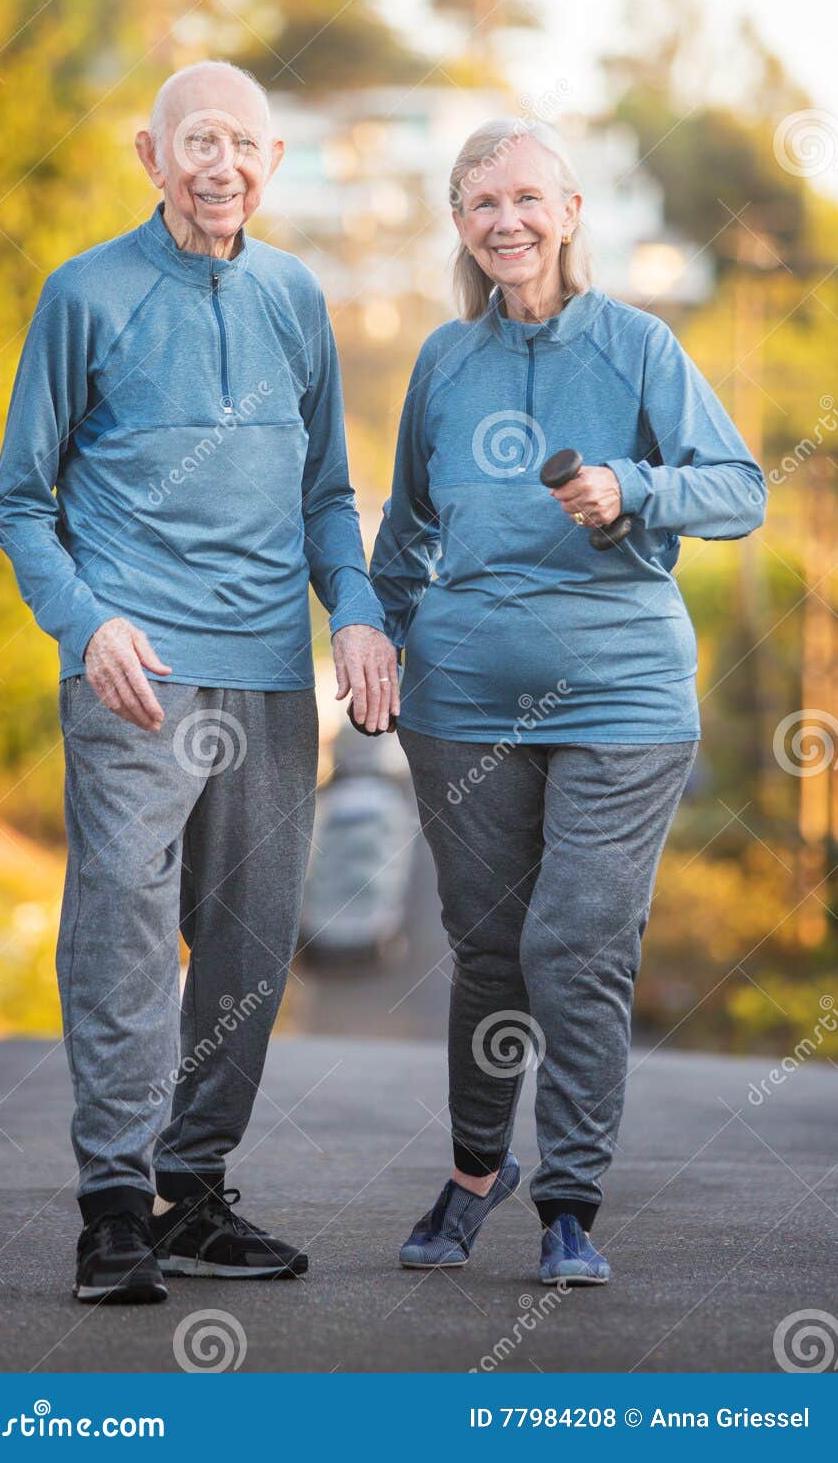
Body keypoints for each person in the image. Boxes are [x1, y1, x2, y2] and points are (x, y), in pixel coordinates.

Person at [0, 60, 398, 1303]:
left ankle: (193, 1189)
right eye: (197, 141)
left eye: (245, 145)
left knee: (250, 942)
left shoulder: (293, 297)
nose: (222, 165)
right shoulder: (87, 296)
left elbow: (329, 496)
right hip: (137, 680)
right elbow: (21, 499)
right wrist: (87, 622)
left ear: (273, 165)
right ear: (150, 155)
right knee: (120, 932)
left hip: (273, 679)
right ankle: (114, 1207)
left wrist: (363, 614)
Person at [370, 117, 766, 1285]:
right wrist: (375, 637)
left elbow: (739, 488)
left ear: (573, 212)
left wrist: (632, 486)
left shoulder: (639, 346)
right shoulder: (444, 362)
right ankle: (473, 1174)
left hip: (623, 698)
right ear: (460, 224)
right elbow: (404, 534)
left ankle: (572, 1202)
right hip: (463, 707)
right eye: (483, 203)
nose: (508, 222)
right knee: (489, 949)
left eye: (529, 199)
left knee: (576, 941)